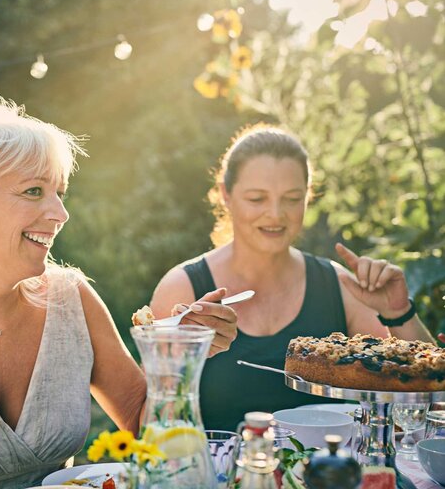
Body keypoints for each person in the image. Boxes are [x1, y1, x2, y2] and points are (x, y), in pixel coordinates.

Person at [0, 95, 237, 489]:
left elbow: (142, 425)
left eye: (59, 192)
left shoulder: (73, 299)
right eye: (33, 191)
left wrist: (180, 353)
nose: (60, 213)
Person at [150, 123, 436, 432]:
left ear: (307, 197)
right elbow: (151, 428)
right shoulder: (181, 289)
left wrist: (398, 313)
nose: (275, 214)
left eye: (291, 198)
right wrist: (183, 354)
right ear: (225, 195)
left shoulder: (338, 286)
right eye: (257, 199)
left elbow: (428, 406)